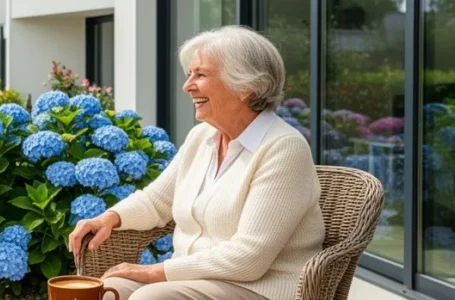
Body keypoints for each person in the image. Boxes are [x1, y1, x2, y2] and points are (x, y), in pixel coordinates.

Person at [68, 25, 326, 300]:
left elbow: (249, 257)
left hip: (259, 287)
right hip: (192, 279)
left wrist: (156, 272)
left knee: (150, 298)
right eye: (190, 74)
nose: (187, 85)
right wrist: (109, 218)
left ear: (245, 86)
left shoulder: (283, 148)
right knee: (106, 292)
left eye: (200, 75)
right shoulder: (202, 137)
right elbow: (157, 201)